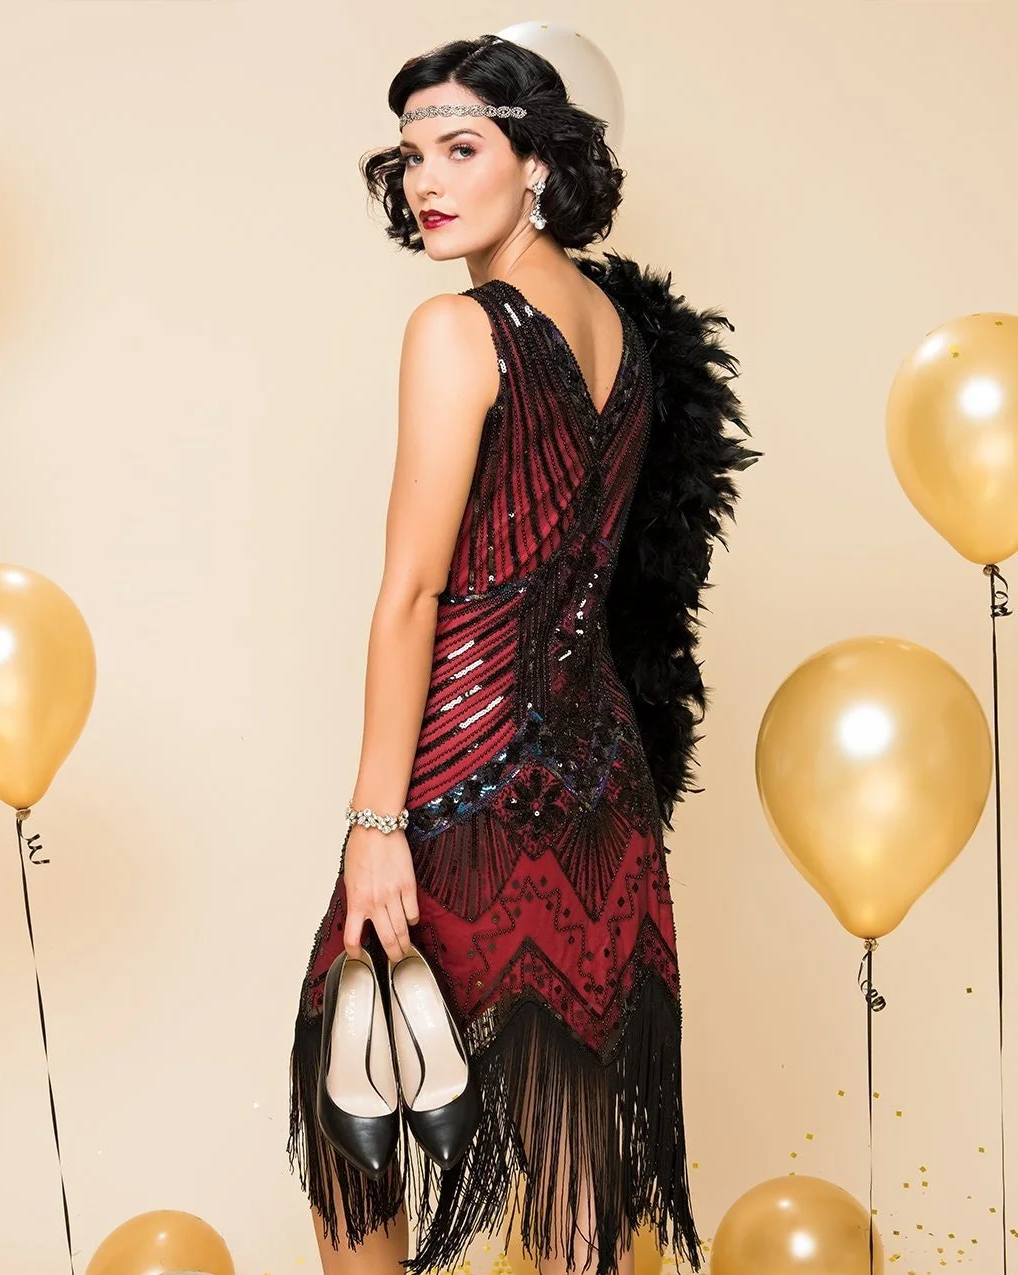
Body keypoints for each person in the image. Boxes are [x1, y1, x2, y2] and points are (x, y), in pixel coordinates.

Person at [286, 32, 759, 1275]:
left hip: (467, 779)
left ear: (539, 163)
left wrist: (376, 821)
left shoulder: (458, 329)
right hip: (603, 786)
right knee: (576, 1162)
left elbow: (413, 595)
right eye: (411, 156)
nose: (427, 183)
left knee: (353, 1116)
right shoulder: (624, 335)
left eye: (462, 149)